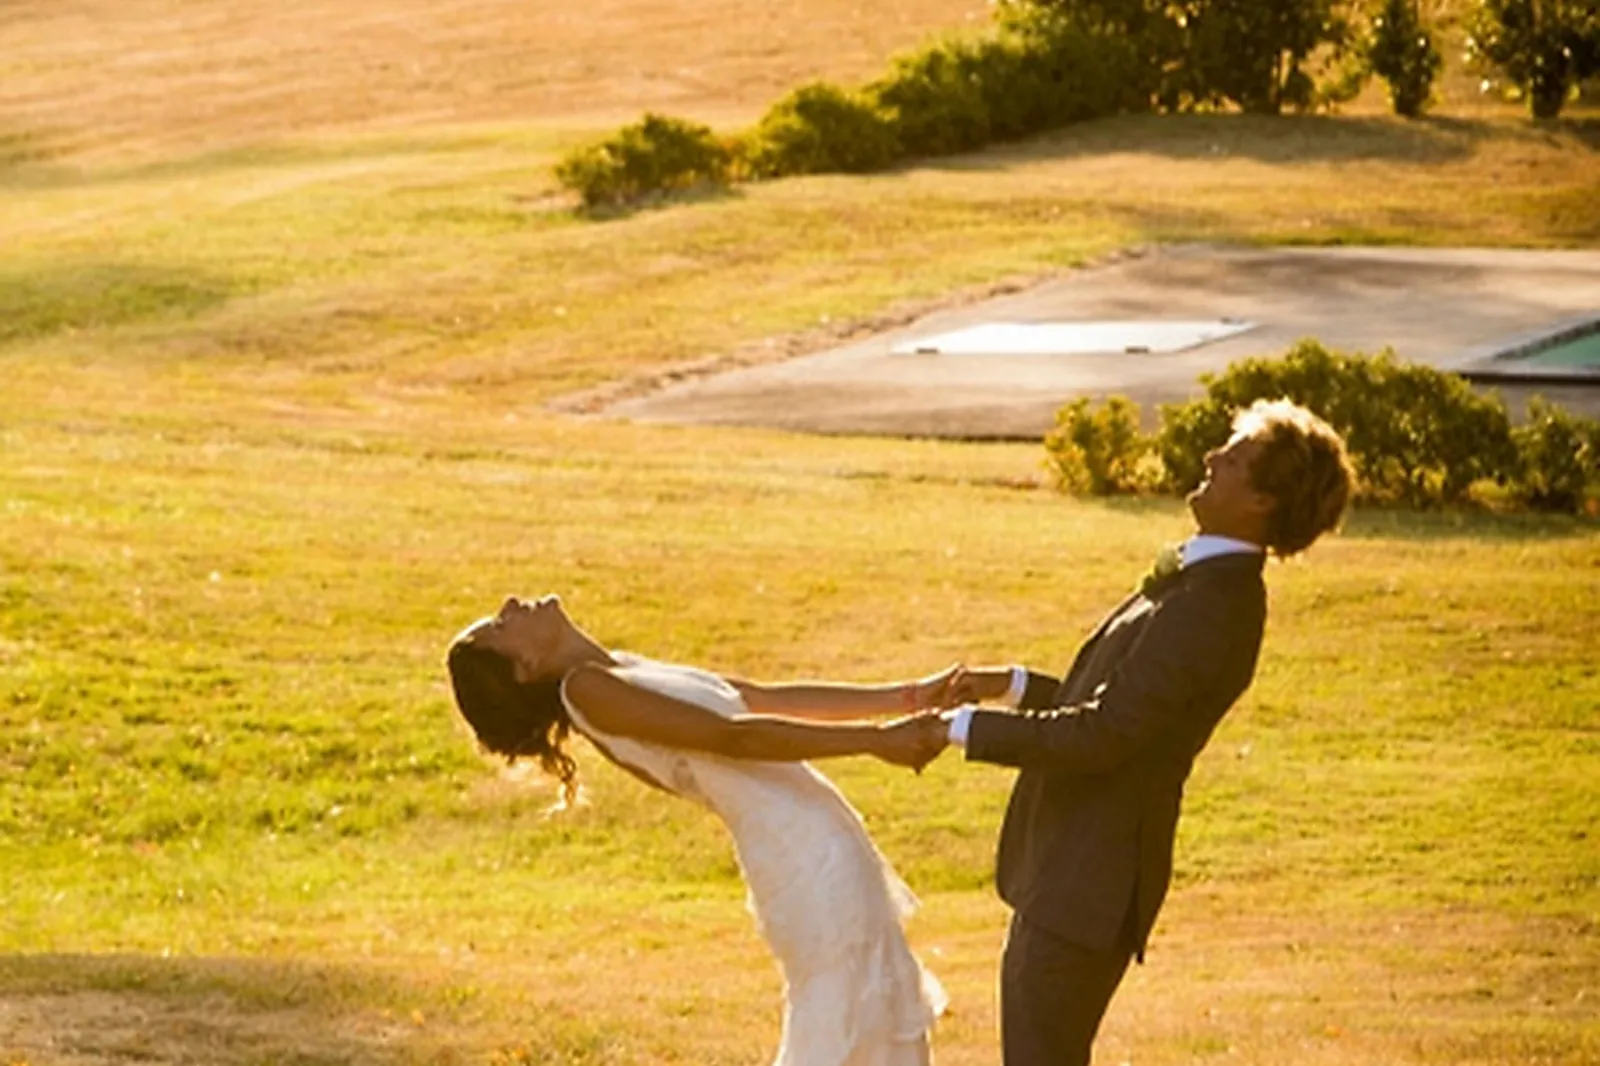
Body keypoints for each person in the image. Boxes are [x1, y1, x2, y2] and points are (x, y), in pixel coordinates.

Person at [923, 398, 1356, 1066]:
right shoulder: (1204, 581)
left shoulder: (1212, 607)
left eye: (1234, 458)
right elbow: (1115, 703)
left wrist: (958, 731)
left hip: (1088, 882)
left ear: (1264, 501)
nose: (1212, 458)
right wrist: (1006, 685)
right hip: (1071, 872)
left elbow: (1104, 735)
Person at [446, 594, 952, 1066]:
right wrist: (876, 741)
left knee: (875, 1019)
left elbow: (757, 699)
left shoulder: (614, 669)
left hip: (823, 839)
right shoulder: (587, 692)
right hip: (803, 860)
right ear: (524, 669)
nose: (510, 606)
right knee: (846, 1022)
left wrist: (908, 698)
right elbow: (733, 737)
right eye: (498, 627)